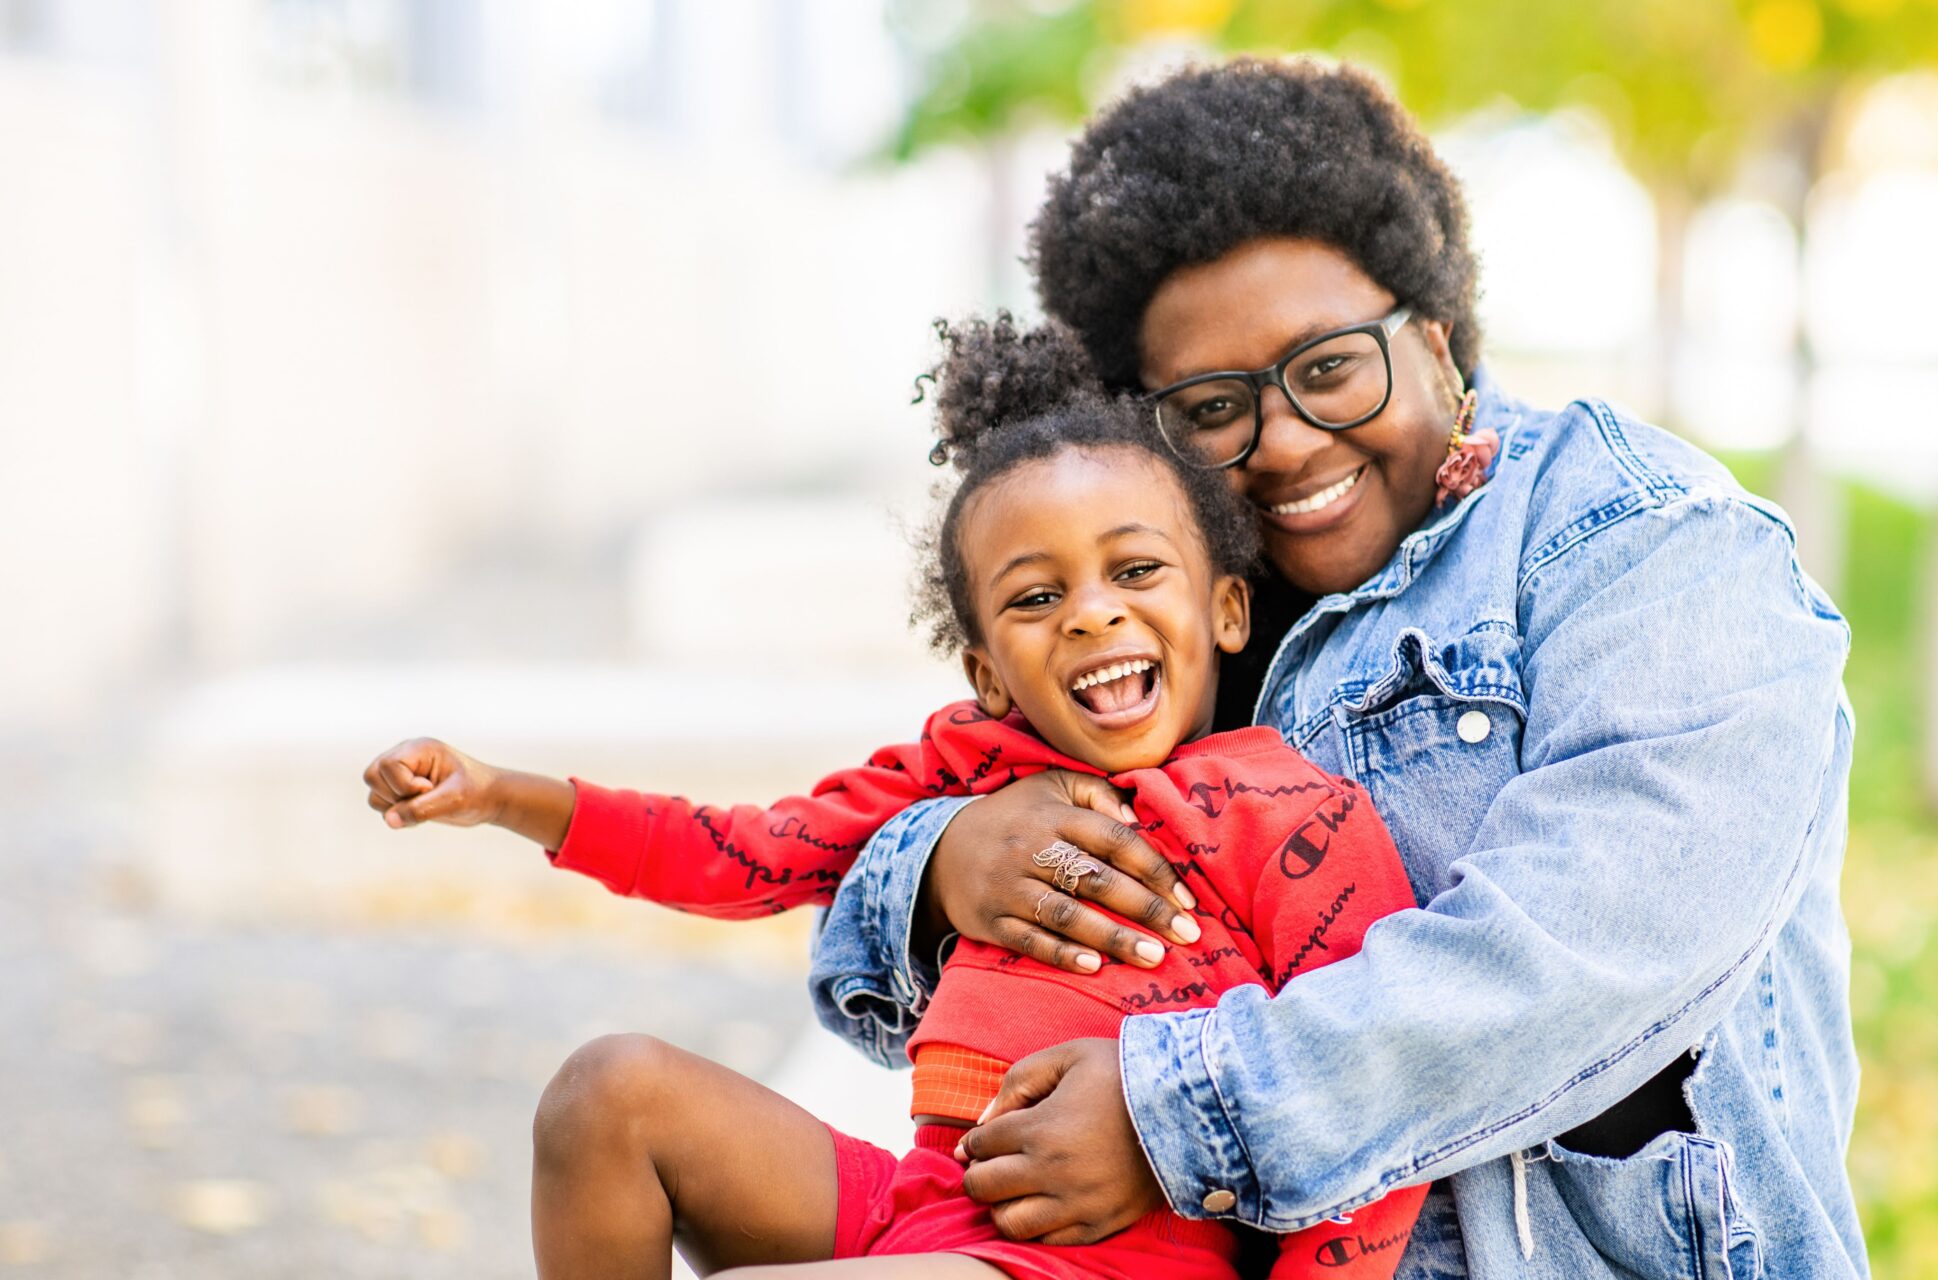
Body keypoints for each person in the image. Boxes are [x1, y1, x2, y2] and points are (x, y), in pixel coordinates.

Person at [811, 59, 1868, 1279]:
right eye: (1212, 406)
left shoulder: (1644, 538)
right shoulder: (1177, 598)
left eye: (1329, 369)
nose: (1287, 442)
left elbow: (1592, 941)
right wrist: (944, 864)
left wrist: (1176, 1115)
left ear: (1434, 335)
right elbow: (903, 937)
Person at [357, 316, 1429, 1280]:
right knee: (607, 1091)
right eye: (1037, 595)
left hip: (1118, 1257)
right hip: (922, 1207)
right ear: (987, 672)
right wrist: (506, 795)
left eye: (1135, 571)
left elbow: (1375, 1079)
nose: (1092, 615)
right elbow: (743, 851)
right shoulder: (963, 768)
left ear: (1228, 608)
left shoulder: (1290, 809)